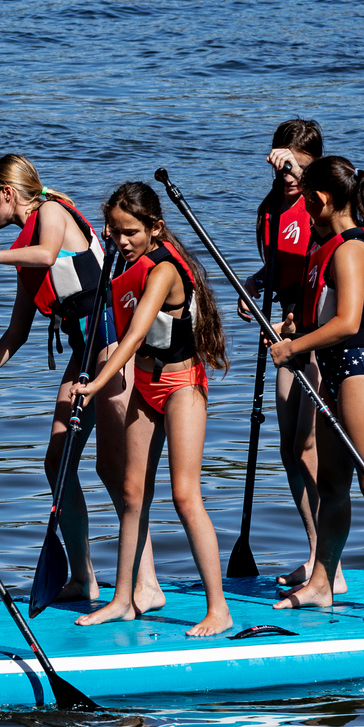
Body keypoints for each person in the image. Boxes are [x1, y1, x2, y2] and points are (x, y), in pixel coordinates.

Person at [0, 154, 156, 608]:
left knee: (116, 469)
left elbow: (47, 254)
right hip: (82, 355)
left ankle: (147, 583)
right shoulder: (24, 256)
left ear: (8, 192)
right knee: (57, 462)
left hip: (110, 346)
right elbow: (16, 334)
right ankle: (84, 578)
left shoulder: (51, 212)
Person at [72, 182, 232, 636]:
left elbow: (137, 334)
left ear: (155, 228)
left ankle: (218, 608)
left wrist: (98, 383)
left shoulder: (162, 270)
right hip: (146, 384)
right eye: (115, 233)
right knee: (131, 492)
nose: (122, 241)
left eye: (131, 233)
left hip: (182, 384)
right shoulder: (127, 264)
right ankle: (124, 598)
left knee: (184, 495)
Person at [267, 156, 364, 622]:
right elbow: (326, 314)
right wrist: (295, 324)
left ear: (322, 199)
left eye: (307, 201)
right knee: (332, 485)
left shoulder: (351, 249)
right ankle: (321, 585)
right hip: (334, 374)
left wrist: (293, 347)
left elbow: (349, 321)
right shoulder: (327, 245)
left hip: (360, 374)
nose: (303, 210)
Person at [236, 118, 331, 591]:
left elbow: (325, 257)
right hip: (285, 330)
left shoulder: (323, 205)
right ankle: (315, 554)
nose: (288, 173)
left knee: (309, 448)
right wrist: (257, 281)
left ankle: (329, 568)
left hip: (314, 330)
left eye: (298, 165)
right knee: (289, 449)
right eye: (282, 162)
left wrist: (294, 323)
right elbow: (281, 263)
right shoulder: (270, 206)